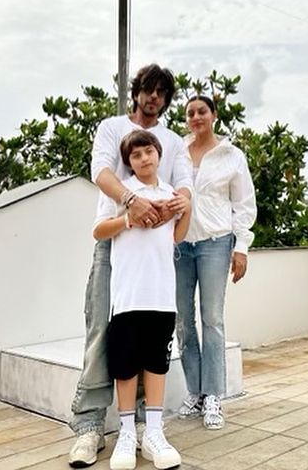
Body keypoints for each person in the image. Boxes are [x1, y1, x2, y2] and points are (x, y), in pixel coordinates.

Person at [68, 65, 192, 467]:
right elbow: (100, 171)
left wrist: (182, 202)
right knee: (102, 331)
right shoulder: (111, 126)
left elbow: (184, 182)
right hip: (115, 241)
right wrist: (129, 202)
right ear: (135, 91)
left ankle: (141, 426)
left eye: (161, 92)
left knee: (150, 338)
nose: (153, 97)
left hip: (156, 252)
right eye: (147, 89)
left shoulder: (173, 141)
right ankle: (89, 425)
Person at [94, 130, 190, 470]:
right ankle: (125, 433)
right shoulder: (122, 192)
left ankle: (153, 432)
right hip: (128, 295)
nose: (144, 159)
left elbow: (177, 236)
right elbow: (98, 231)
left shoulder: (171, 194)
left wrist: (187, 208)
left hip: (161, 295)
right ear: (129, 162)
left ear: (158, 154)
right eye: (136, 155)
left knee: (156, 364)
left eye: (149, 151)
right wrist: (127, 218)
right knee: (125, 366)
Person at [174, 95, 257, 430]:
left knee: (212, 319)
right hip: (179, 246)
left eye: (202, 111)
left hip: (215, 244)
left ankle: (213, 397)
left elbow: (244, 204)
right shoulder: (176, 152)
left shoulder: (231, 156)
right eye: (190, 113)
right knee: (182, 321)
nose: (196, 117)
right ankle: (195, 390)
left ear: (214, 116)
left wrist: (242, 247)